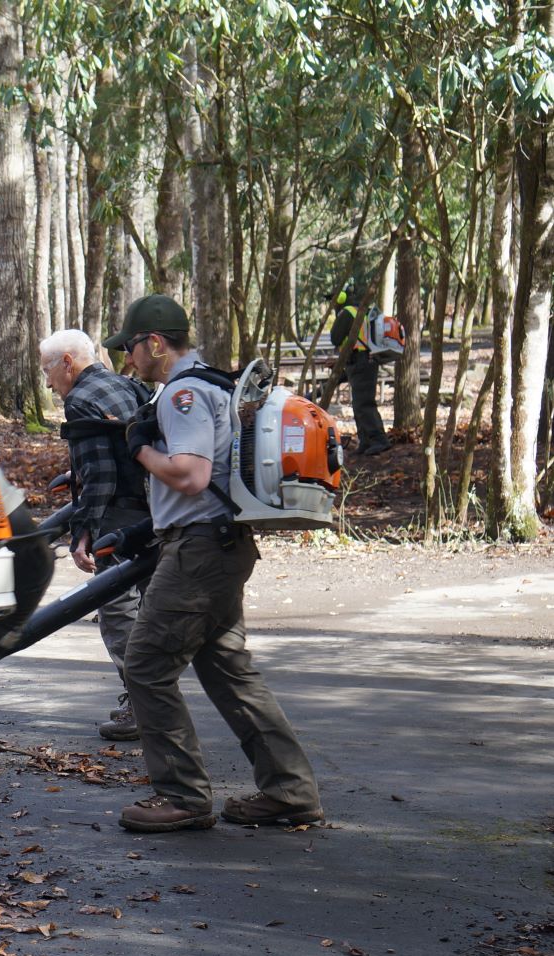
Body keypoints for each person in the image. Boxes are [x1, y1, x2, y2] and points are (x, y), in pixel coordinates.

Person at [101, 294, 324, 833]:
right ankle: (290, 792)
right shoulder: (211, 383)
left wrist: (138, 449)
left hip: (201, 549)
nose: (127, 360)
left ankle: (182, 796)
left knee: (148, 664)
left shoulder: (182, 393)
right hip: (218, 544)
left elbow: (191, 474)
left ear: (154, 343)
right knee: (228, 671)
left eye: (130, 348)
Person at [42, 328, 152, 740]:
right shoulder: (124, 384)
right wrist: (77, 472)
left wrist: (81, 532)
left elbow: (103, 474)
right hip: (149, 508)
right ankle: (153, 700)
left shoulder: (80, 400)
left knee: (119, 609)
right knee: (146, 605)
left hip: (117, 515)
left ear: (68, 362)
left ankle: (144, 707)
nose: (49, 383)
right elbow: (123, 446)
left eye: (49, 372)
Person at [329, 287, 391, 456]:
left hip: (361, 361)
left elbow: (335, 337)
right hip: (363, 361)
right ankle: (366, 441)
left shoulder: (348, 313)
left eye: (333, 300)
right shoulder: (362, 311)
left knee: (364, 403)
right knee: (360, 403)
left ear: (340, 299)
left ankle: (379, 440)